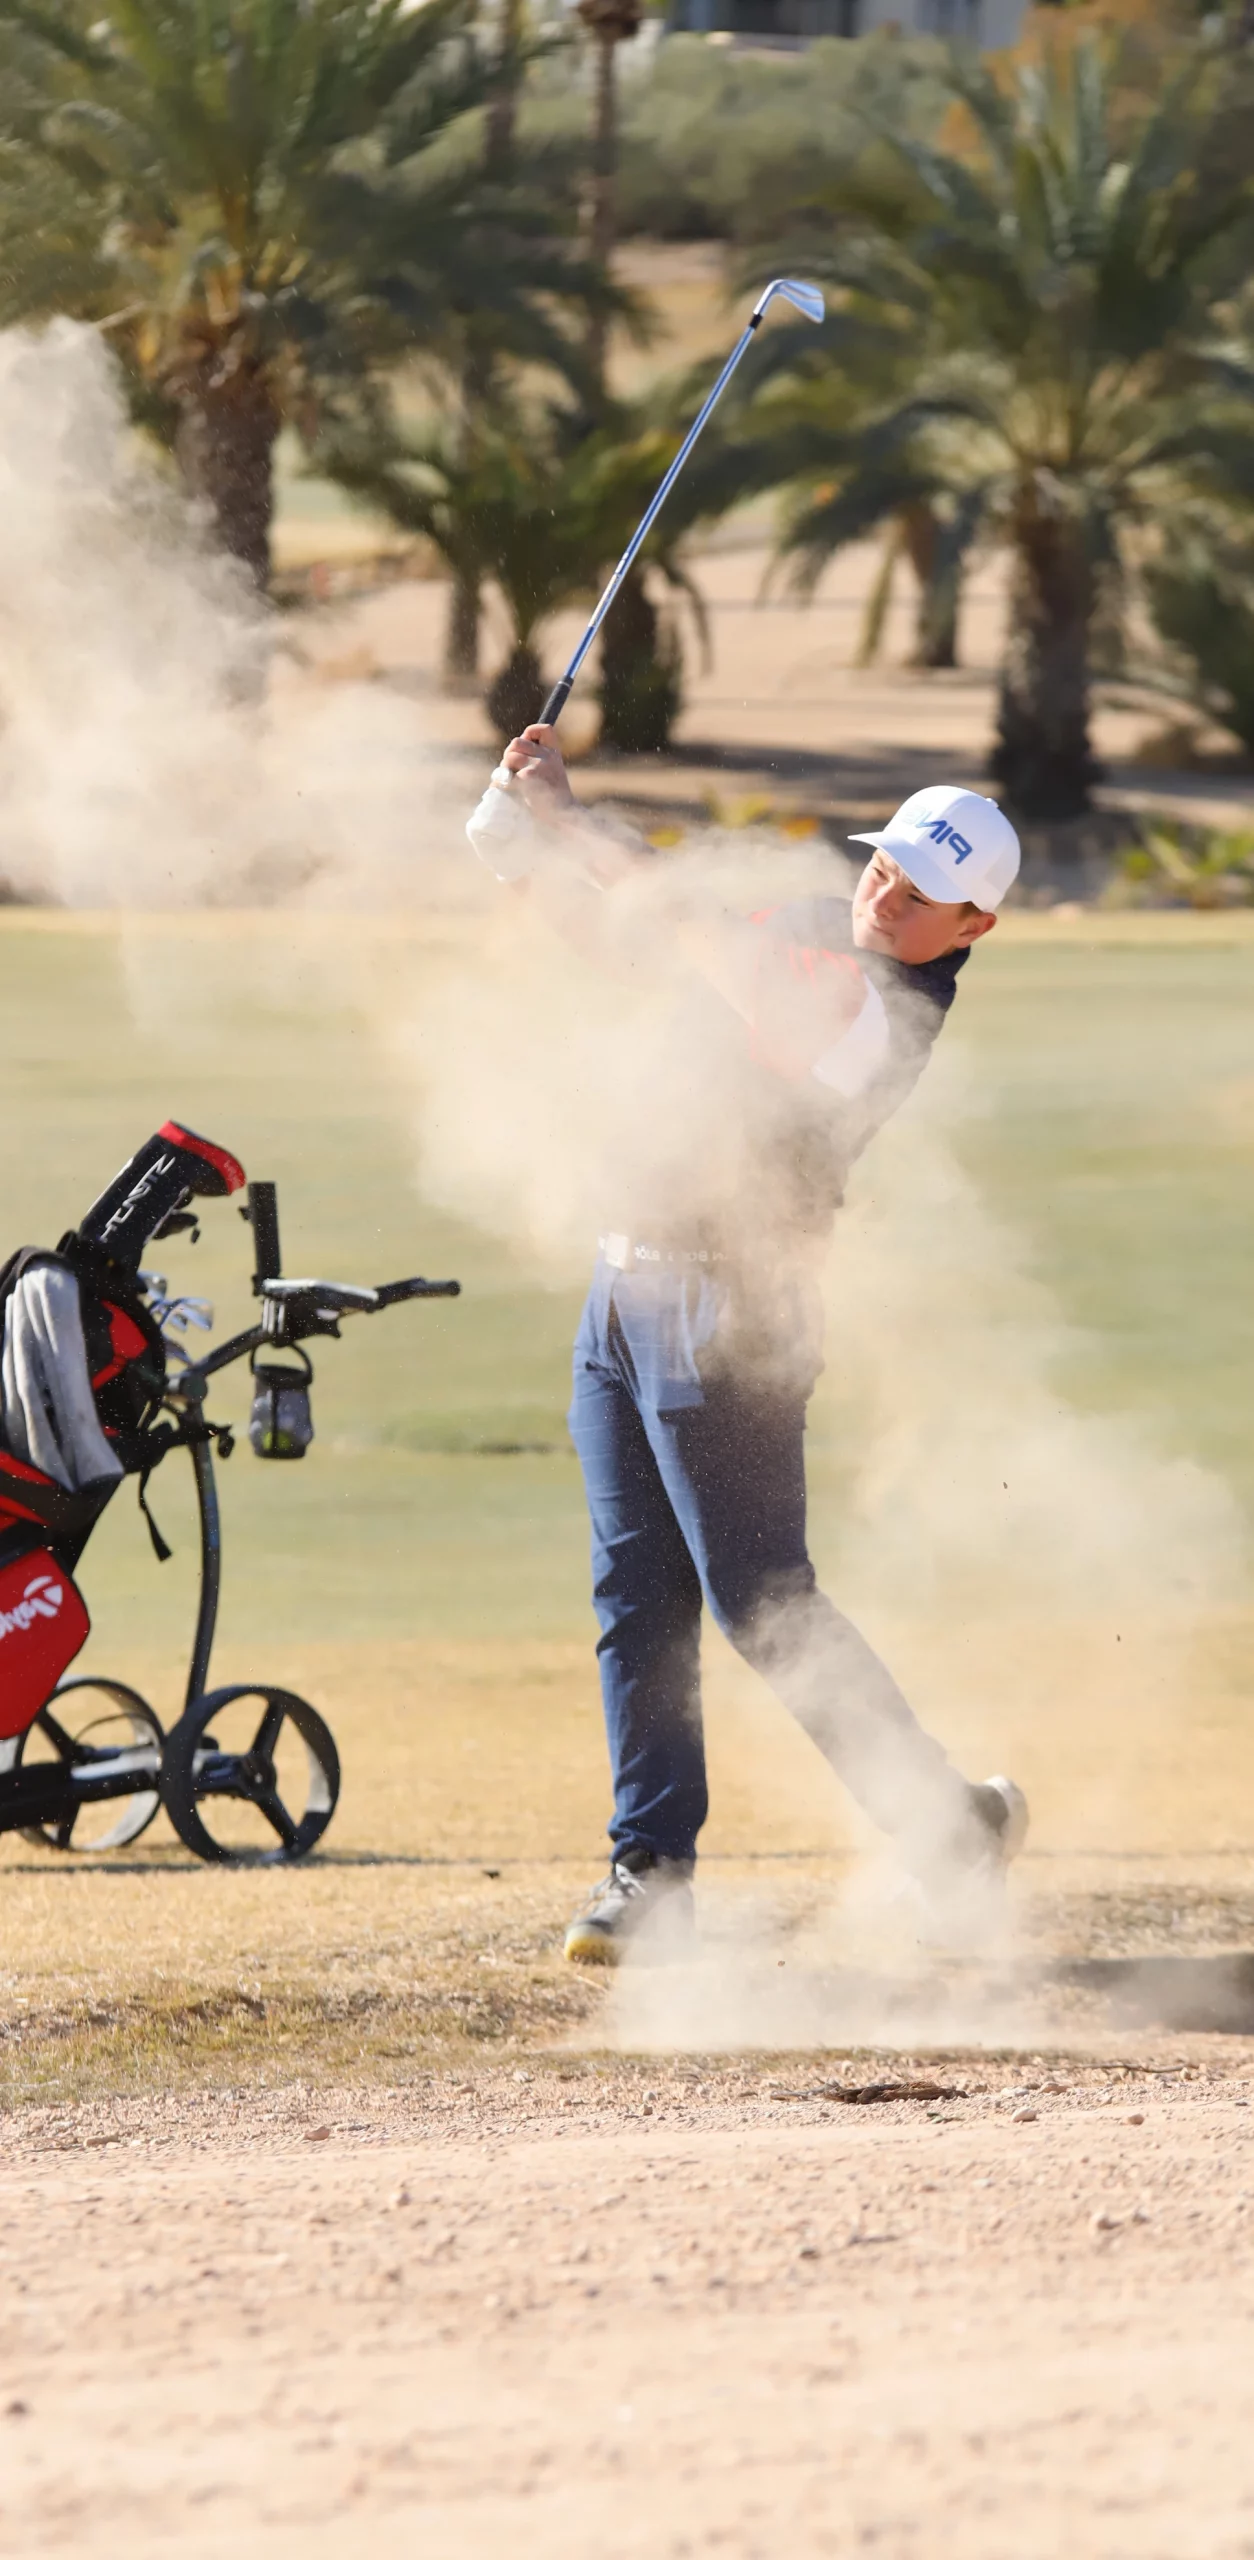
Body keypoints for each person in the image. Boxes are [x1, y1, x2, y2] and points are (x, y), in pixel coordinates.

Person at [472, 725, 1028, 1963]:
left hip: (729, 1314)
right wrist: (521, 870)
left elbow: (691, 931)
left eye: (922, 890)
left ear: (970, 928)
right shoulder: (814, 925)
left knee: (764, 1603)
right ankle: (648, 1878)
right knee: (636, 1597)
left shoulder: (883, 1016)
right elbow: (636, 956)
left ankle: (944, 1831)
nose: (886, 890)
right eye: (886, 863)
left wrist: (566, 817)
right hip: (621, 1293)